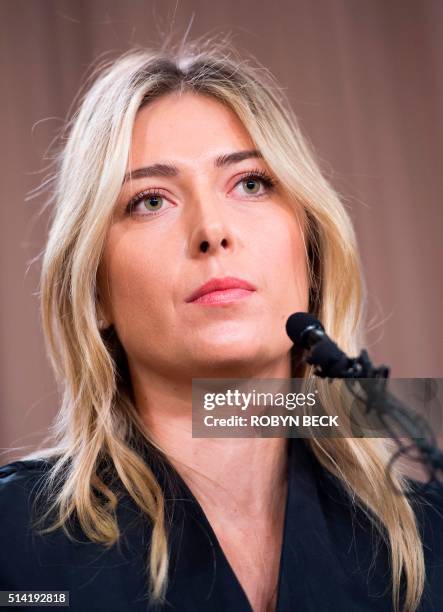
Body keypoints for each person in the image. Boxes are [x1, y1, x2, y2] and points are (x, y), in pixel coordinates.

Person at [0, 37, 442, 612]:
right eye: (151, 201)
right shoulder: (14, 553)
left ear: (309, 253)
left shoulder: (428, 540)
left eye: (251, 183)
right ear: (94, 290)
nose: (213, 230)